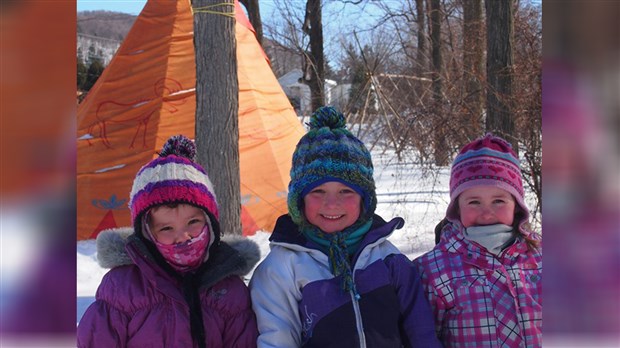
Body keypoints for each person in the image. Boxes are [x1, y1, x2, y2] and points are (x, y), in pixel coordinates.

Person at [249, 106, 441, 347]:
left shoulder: (388, 259)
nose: (331, 204)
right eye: (318, 191)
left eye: (346, 191)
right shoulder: (282, 268)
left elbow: (420, 331)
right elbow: (277, 339)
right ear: (299, 200)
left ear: (365, 200)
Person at [77, 135, 260, 347]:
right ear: (146, 233)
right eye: (166, 228)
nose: (183, 236)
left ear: (210, 222)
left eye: (193, 222)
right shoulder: (122, 288)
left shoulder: (230, 291)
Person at [413, 133, 542, 347]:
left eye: (498, 201)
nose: (487, 214)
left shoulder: (542, 258)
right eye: (474, 202)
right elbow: (424, 339)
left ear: (517, 205)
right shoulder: (433, 270)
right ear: (456, 208)